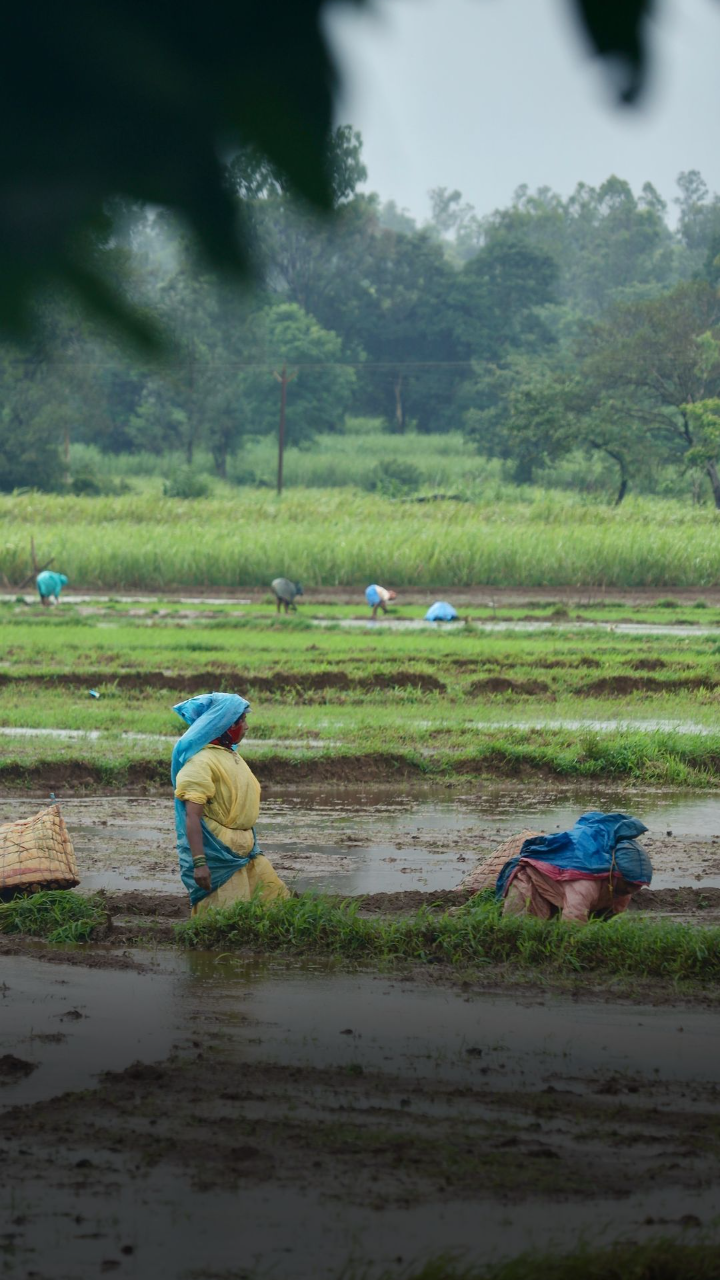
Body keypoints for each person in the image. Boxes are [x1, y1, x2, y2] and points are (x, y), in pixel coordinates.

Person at [172, 691, 289, 916]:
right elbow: (192, 816)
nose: (246, 726)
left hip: (247, 850)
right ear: (225, 725)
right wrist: (199, 863)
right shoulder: (200, 762)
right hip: (219, 851)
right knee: (226, 920)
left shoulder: (229, 755)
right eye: (241, 720)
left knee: (277, 906)